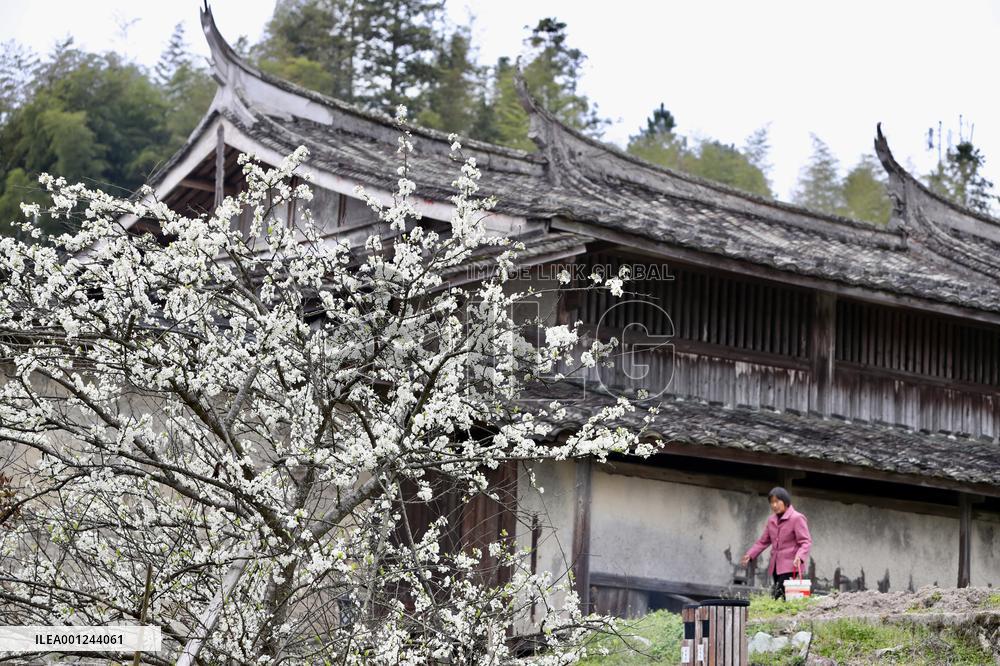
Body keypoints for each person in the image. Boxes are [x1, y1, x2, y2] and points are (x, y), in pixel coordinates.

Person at [740, 487, 812, 600]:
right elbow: (763, 541)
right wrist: (750, 554)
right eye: (772, 502)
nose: (774, 505)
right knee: (781, 596)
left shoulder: (797, 518)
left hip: (791, 566)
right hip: (776, 566)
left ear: (785, 501)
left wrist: (800, 556)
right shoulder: (771, 520)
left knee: (780, 596)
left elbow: (805, 541)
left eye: (777, 501)